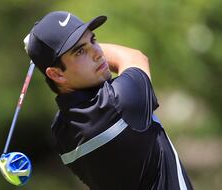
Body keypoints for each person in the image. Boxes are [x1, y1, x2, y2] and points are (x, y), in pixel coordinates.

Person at [25, 11, 193, 190]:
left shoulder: (61, 132)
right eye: (80, 51)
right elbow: (134, 57)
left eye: (93, 40)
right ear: (56, 73)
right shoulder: (120, 102)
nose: (98, 53)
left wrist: (44, 55)